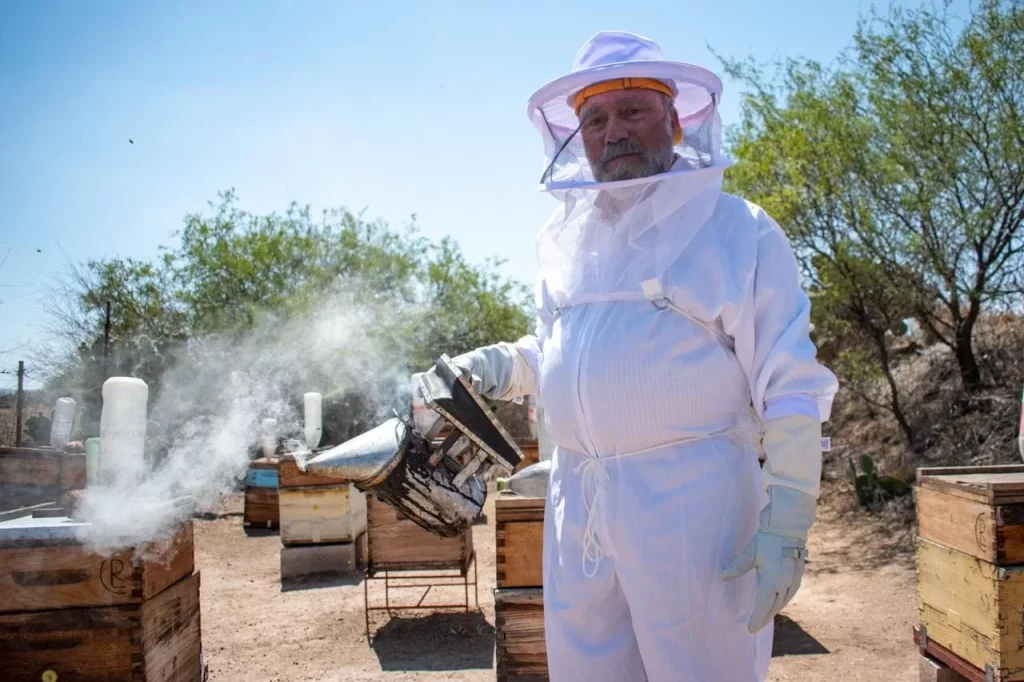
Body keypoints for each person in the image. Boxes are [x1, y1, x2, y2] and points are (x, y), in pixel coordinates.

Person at [420, 31, 838, 681]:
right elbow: (563, 351)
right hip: (578, 506)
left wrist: (788, 521)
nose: (613, 130)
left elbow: (790, 384)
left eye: (633, 111)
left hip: (693, 510)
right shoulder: (565, 244)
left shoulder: (738, 230)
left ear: (675, 120)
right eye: (594, 118)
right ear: (575, 136)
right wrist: (502, 365)